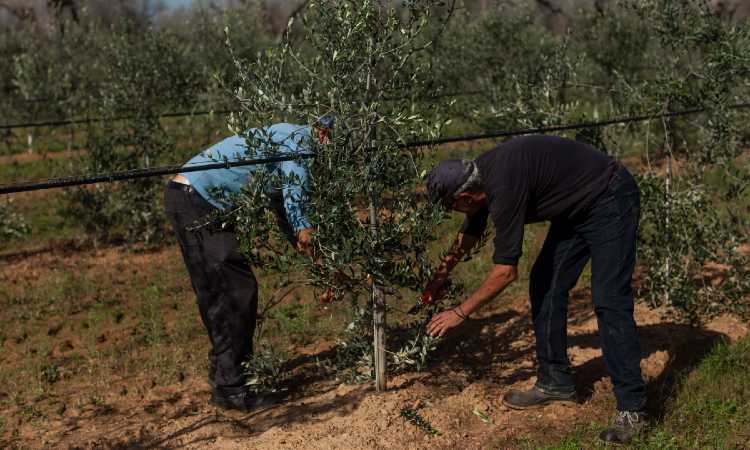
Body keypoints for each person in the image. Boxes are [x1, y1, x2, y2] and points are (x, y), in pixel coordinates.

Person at [423, 134, 646, 444]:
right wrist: (440, 275)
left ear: (465, 198)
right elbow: (472, 229)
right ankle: (556, 382)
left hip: (609, 197)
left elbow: (505, 273)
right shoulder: (479, 176)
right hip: (576, 208)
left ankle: (632, 409)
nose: (456, 213)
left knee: (609, 299)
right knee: (545, 284)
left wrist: (460, 312)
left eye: (452, 207)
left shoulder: (502, 188)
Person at [163, 117, 332, 412]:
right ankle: (234, 387)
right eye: (334, 145)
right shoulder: (300, 140)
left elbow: (283, 208)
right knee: (233, 290)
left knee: (220, 289)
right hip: (197, 201)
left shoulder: (285, 137)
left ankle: (225, 379)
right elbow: (296, 204)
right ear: (324, 132)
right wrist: (327, 264)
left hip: (188, 198)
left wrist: (315, 260)